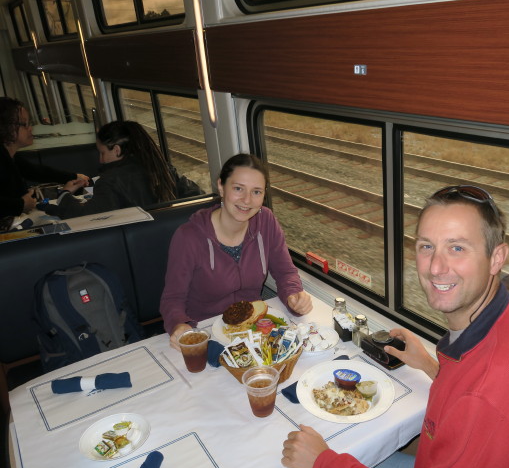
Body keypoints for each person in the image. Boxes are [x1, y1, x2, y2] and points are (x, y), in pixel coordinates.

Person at [282, 185, 509, 468]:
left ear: (497, 258)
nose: (436, 267)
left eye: (457, 248)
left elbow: (480, 398)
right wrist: (431, 366)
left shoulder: (492, 392)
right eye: (426, 246)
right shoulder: (499, 318)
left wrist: (321, 465)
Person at [160, 153, 313, 349]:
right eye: (238, 188)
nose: (247, 200)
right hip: (205, 332)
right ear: (221, 187)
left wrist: (294, 295)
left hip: (253, 328)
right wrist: (179, 324)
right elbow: (172, 298)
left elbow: (285, 272)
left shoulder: (266, 221)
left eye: (256, 192)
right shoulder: (189, 237)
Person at [53, 120, 203, 219]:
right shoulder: (163, 169)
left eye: (102, 153)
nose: (100, 160)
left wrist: (64, 195)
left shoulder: (110, 182)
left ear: (117, 150)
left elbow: (85, 217)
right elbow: (197, 195)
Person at [0, 97, 89, 226]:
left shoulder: (10, 156)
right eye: (25, 124)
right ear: (6, 127)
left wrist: (74, 177)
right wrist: (20, 205)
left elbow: (37, 171)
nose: (31, 129)